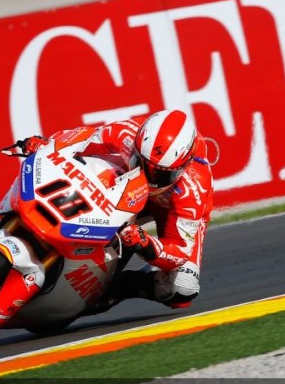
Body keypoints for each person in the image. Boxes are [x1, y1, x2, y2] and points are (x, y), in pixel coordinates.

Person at [22, 109, 214, 312]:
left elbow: (180, 249)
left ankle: (116, 287)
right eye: (141, 163)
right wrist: (48, 144)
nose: (150, 177)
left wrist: (146, 244)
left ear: (182, 168)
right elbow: (84, 138)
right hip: (129, 184)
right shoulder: (127, 133)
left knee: (182, 288)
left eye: (160, 174)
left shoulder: (193, 189)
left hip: (169, 212)